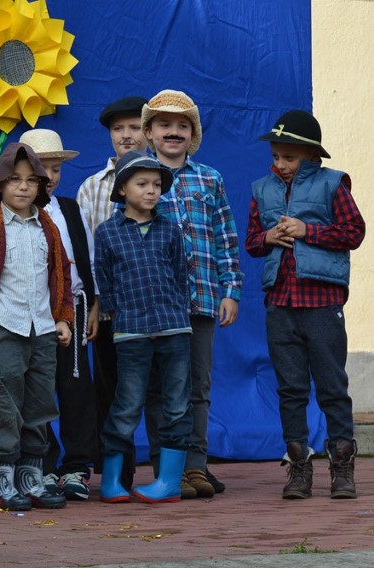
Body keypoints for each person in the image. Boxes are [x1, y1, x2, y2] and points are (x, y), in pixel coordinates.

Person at [245, 110, 365, 499]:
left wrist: (306, 230)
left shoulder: (333, 185)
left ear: (312, 156)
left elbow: (354, 232)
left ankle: (342, 468)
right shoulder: (262, 189)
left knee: (332, 384)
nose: (279, 164)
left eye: (288, 157)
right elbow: (250, 242)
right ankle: (299, 470)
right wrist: (269, 237)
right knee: (291, 388)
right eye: (276, 156)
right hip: (280, 302)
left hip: (322, 300)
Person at [141, 90, 243, 499]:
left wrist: (230, 289)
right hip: (154, 304)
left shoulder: (210, 179)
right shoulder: (138, 178)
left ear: (192, 134)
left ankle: (196, 467)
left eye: (182, 126)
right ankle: (167, 468)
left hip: (201, 299)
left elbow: (226, 238)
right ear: (149, 132)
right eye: (164, 124)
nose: (173, 131)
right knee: (159, 388)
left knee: (196, 386)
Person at [0, 142, 73, 511]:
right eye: (14, 180)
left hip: (42, 328)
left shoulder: (49, 228)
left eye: (31, 181)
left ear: (41, 186)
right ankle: (2, 479)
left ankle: (31, 476)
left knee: (41, 406)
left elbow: (61, 276)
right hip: (4, 329)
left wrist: (63, 318)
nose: (23, 187)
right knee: (5, 406)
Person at [95, 151, 192, 504]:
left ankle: (169, 482)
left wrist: (177, 311)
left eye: (156, 185)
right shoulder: (107, 233)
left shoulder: (170, 229)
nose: (151, 191)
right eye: (142, 184)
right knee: (127, 404)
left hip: (174, 329)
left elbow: (181, 274)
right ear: (122, 189)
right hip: (131, 332)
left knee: (178, 405)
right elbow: (104, 279)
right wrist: (115, 312)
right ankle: (112, 481)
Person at [18, 128, 99, 501]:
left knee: (76, 387)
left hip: (76, 306)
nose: (49, 177)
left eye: (56, 169)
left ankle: (77, 467)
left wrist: (94, 302)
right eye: (41, 169)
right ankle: (44, 466)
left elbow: (87, 258)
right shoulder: (13, 214)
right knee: (38, 390)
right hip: (33, 311)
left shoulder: (69, 208)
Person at [76, 96, 147, 490]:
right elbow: (88, 252)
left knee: (153, 390)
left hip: (152, 308)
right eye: (118, 129)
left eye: (134, 127)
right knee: (110, 389)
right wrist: (97, 301)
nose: (126, 135)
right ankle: (116, 473)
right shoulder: (92, 188)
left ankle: (175, 469)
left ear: (148, 132)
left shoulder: (160, 183)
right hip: (108, 310)